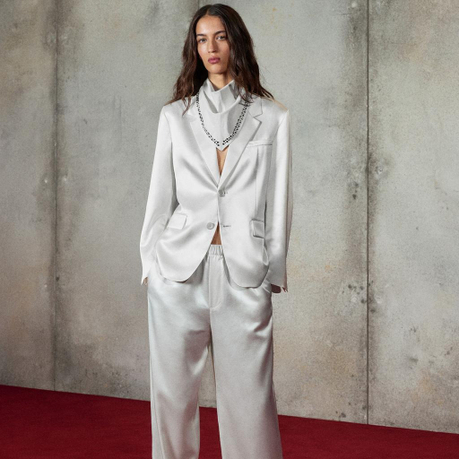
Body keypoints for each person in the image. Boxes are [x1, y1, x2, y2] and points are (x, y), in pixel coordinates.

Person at [139, 3, 293, 458]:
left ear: (235, 42)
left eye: (220, 36)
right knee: (171, 398)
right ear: (195, 48)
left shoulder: (273, 117)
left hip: (243, 272)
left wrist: (272, 271)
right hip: (178, 273)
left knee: (251, 403)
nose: (211, 47)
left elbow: (280, 203)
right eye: (202, 39)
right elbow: (159, 200)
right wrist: (151, 264)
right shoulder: (175, 116)